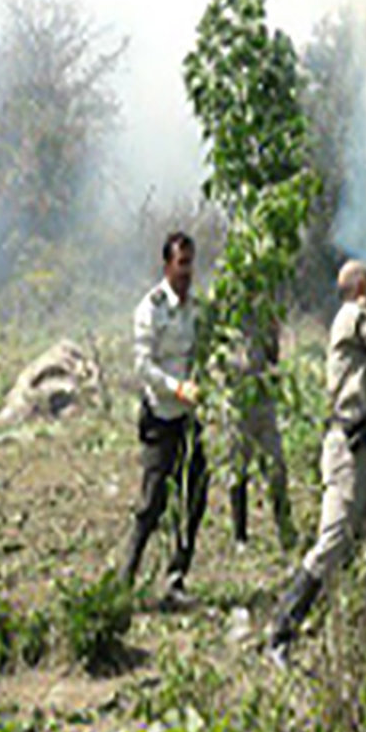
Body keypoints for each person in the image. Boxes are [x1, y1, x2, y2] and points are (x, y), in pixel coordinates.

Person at [265, 260, 366, 664]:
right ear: (360, 287)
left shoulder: (353, 321)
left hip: (363, 452)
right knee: (333, 540)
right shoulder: (354, 316)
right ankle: (281, 630)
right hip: (347, 451)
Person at [122, 232, 209, 610]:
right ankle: (125, 577)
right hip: (161, 415)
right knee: (153, 502)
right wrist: (176, 387)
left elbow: (203, 350)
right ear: (167, 265)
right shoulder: (152, 308)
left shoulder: (197, 308)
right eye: (181, 263)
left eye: (191, 263)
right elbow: (143, 365)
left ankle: (176, 576)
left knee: (196, 494)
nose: (188, 271)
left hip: (189, 418)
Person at [228, 313, 294, 552]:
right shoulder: (230, 317)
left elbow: (273, 360)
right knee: (238, 469)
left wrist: (273, 333)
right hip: (239, 405)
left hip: (264, 405)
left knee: (277, 466)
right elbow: (222, 360)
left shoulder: (264, 316)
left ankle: (284, 529)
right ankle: (240, 535)